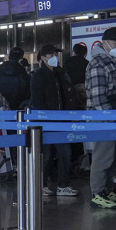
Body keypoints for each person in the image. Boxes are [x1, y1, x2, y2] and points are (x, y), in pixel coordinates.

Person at [86, 27, 116, 209]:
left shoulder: (112, 61)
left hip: (115, 115)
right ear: (104, 43)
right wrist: (108, 118)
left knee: (115, 156)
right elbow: (97, 96)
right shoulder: (98, 63)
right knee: (103, 156)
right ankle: (97, 192)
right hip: (105, 118)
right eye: (115, 43)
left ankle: (109, 188)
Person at [30, 44, 77, 196]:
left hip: (61, 120)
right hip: (46, 122)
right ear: (44, 58)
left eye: (56, 55)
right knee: (46, 155)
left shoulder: (59, 74)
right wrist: (44, 119)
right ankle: (41, 184)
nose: (55, 58)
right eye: (52, 55)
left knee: (65, 153)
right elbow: (37, 101)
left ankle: (63, 185)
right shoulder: (38, 77)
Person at [0, 46, 31, 111]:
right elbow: (27, 95)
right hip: (18, 112)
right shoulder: (24, 75)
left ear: (8, 57)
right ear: (20, 59)